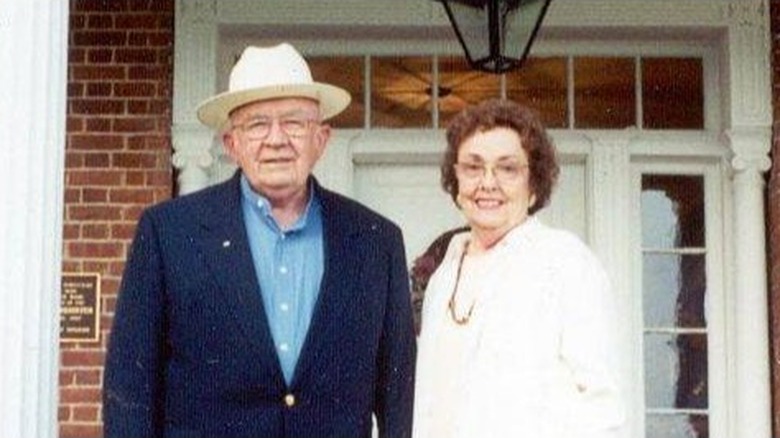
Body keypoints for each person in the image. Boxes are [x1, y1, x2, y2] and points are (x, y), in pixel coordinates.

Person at [103, 43, 416, 438]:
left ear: (321, 138)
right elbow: (130, 384)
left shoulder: (376, 241)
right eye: (256, 125)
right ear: (232, 144)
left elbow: (398, 394)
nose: (276, 139)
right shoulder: (168, 233)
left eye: (294, 123)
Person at [412, 99, 624, 437]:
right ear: (455, 180)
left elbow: (602, 408)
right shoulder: (444, 276)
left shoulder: (565, 263)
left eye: (507, 168)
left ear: (535, 183)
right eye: (473, 166)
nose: (488, 183)